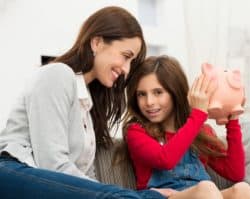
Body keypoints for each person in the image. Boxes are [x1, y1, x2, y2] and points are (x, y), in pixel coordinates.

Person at [0, 6, 166, 199]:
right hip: (12, 172)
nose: (127, 69)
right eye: (126, 56)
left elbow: (83, 178)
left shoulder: (86, 106)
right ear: (96, 42)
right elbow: (52, 165)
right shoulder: (57, 74)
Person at [117, 55, 250, 198]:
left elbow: (235, 173)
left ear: (175, 92)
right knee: (206, 188)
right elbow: (166, 160)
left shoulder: (199, 132)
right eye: (141, 94)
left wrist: (232, 120)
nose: (149, 102)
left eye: (158, 92)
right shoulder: (136, 131)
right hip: (164, 197)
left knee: (241, 190)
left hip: (205, 196)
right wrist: (198, 115)